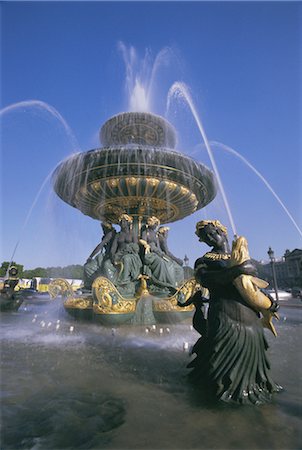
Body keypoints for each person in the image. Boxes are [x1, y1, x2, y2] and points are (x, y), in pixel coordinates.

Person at [188, 219, 282, 405]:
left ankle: (253, 386)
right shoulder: (204, 260)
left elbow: (252, 285)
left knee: (252, 353)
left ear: (223, 231)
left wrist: (268, 302)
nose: (211, 237)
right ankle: (222, 392)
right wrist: (238, 270)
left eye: (213, 232)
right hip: (225, 314)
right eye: (206, 236)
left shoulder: (240, 256)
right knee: (222, 355)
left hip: (249, 315)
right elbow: (207, 280)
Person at [140, 217, 181, 294]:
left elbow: (158, 247)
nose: (156, 226)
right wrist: (146, 244)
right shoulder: (146, 232)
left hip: (157, 253)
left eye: (156, 224)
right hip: (149, 253)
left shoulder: (155, 235)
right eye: (155, 224)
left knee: (169, 263)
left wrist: (162, 255)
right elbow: (142, 239)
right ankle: (162, 284)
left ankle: (172, 283)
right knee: (161, 263)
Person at [109, 214, 142, 297]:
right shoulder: (118, 235)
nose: (122, 223)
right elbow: (113, 249)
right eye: (121, 222)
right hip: (119, 255)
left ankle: (124, 282)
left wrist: (129, 248)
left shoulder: (133, 234)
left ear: (128, 223)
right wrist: (112, 257)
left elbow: (136, 248)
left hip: (131, 256)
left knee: (126, 259)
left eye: (124, 222)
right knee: (106, 264)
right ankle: (110, 284)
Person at [83, 222, 116, 289]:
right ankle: (93, 283)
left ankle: (104, 283)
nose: (103, 230)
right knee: (88, 267)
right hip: (104, 255)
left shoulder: (110, 234)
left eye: (103, 228)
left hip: (110, 256)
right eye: (102, 229)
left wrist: (91, 256)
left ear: (108, 228)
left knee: (89, 266)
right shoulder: (107, 235)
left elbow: (100, 246)